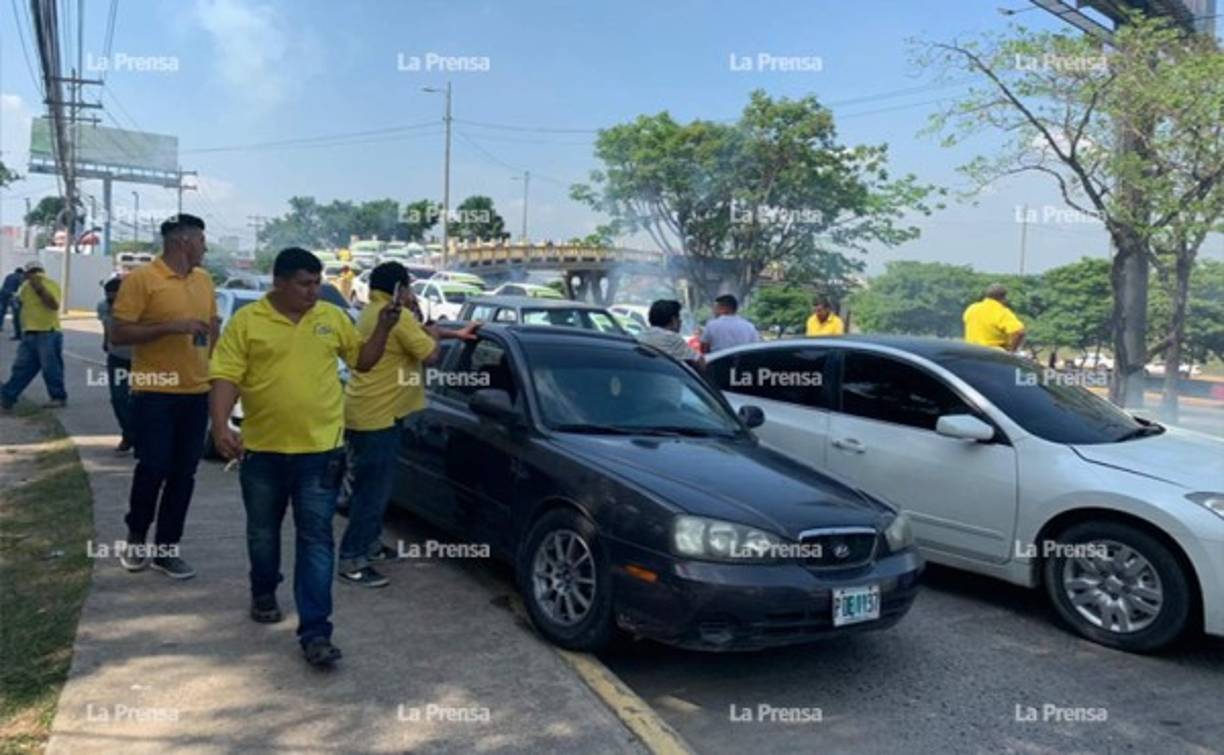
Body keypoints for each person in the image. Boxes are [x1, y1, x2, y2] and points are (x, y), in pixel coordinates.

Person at [209, 247, 400, 667]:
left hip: (321, 454)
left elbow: (363, 362)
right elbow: (226, 375)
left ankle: (315, 631)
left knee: (316, 539)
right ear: (279, 282)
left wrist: (383, 330)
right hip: (262, 453)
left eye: (317, 283)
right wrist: (221, 426)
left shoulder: (331, 319)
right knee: (263, 533)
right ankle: (263, 589)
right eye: (304, 284)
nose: (314, 292)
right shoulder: (248, 323)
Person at [338, 262, 479, 588]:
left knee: (370, 486)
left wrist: (453, 333)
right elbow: (430, 355)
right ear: (399, 287)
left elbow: (420, 335)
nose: (413, 293)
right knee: (372, 493)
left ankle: (370, 545)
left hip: (367, 411)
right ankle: (352, 560)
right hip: (380, 416)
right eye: (409, 287)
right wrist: (432, 332)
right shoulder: (396, 316)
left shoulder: (374, 310)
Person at [110, 214, 217, 579]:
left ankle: (167, 549)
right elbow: (118, 335)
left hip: (196, 391)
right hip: (154, 390)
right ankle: (136, 537)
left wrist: (215, 369)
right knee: (153, 467)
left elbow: (212, 326)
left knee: (183, 475)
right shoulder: (143, 280)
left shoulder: (204, 280)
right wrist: (171, 327)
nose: (205, 247)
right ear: (183, 241)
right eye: (201, 240)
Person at [0, 262, 66, 410]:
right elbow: (20, 304)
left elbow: (54, 305)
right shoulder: (25, 287)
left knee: (51, 368)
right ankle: (7, 396)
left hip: (48, 332)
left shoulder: (49, 284)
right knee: (22, 367)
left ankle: (58, 397)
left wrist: (40, 288)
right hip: (30, 332)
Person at [97, 277, 135, 452]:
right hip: (117, 357)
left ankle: (136, 436)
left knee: (141, 400)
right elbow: (106, 324)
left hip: (140, 359)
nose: (112, 302)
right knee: (118, 398)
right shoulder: (103, 306)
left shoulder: (138, 306)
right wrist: (106, 341)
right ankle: (129, 434)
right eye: (109, 298)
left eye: (115, 298)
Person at [637, 299, 703, 370]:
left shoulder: (641, 335)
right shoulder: (672, 338)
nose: (681, 321)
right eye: (679, 318)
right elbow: (700, 363)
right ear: (674, 320)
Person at [963, 283, 1025, 352]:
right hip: (993, 353)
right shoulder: (1001, 311)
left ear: (986, 296)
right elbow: (1019, 332)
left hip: (970, 352)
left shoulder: (971, 308)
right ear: (1003, 298)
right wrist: (1012, 350)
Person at [1, 266, 23, 339]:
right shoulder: (19, 277)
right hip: (12, 295)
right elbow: (22, 286)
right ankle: (19, 333)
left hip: (3, 294)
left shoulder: (9, 276)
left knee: (2, 311)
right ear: (21, 273)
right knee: (16, 314)